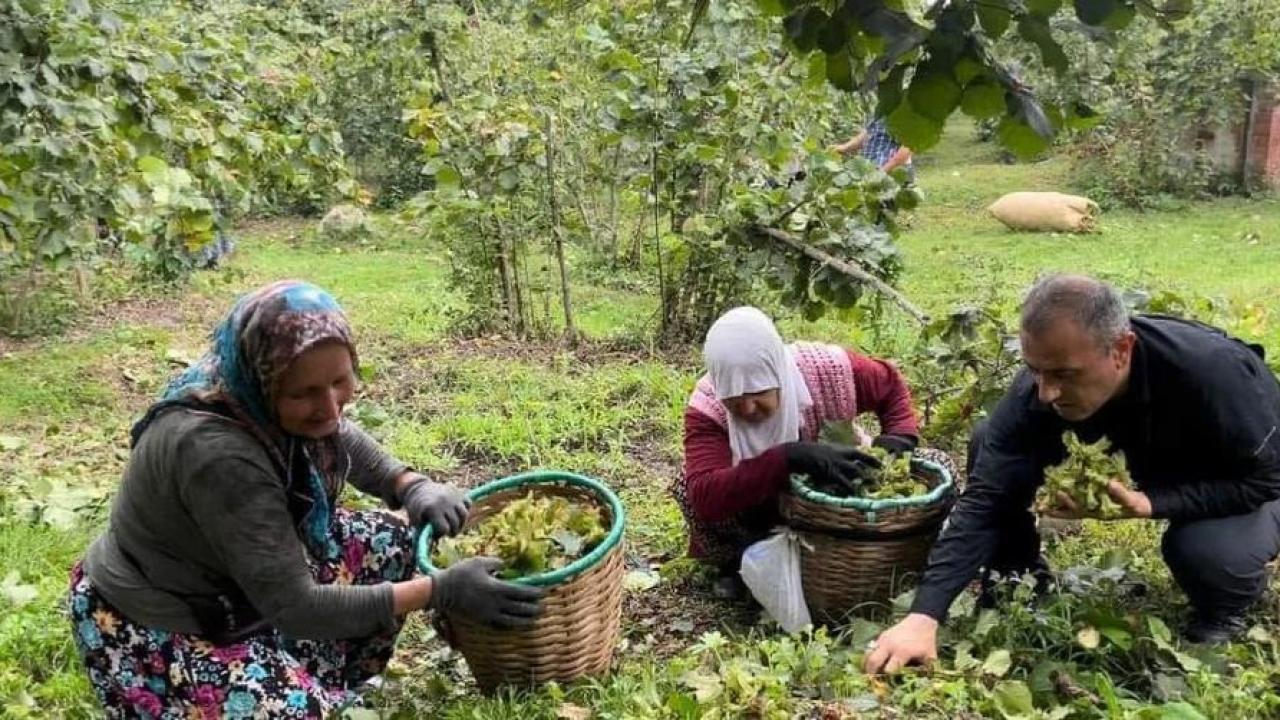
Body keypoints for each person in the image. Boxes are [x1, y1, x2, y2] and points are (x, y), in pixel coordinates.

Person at [68, 280, 543, 718]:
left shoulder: (250, 380)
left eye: (340, 382)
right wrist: (441, 591)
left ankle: (333, 679)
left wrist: (409, 484)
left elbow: (338, 432)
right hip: (167, 615)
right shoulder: (219, 454)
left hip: (242, 576)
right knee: (294, 711)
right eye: (306, 393)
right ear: (265, 383)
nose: (331, 406)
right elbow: (295, 606)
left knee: (396, 539)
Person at [865, 275, 1280, 674]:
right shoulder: (1038, 390)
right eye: (1035, 370)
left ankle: (1224, 613)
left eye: (1064, 374)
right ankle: (1018, 576)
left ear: (1121, 351)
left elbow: (1265, 479)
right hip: (1146, 459)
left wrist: (1153, 504)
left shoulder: (1212, 373)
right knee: (988, 439)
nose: (1046, 392)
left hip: (1237, 475)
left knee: (1208, 552)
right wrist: (924, 616)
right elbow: (985, 499)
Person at [672, 306, 947, 598]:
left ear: (777, 371)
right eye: (735, 400)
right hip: (757, 514)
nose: (748, 409)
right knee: (687, 486)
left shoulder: (822, 370)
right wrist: (787, 458)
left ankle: (890, 558)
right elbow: (705, 496)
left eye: (759, 393)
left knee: (937, 462)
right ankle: (744, 563)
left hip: (839, 497)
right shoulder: (708, 408)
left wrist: (898, 437)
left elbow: (890, 385)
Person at [831, 116, 915, 184]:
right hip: (873, 171)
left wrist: (881, 173)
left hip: (893, 174)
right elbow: (863, 137)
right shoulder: (880, 113)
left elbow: (906, 150)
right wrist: (843, 147)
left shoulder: (907, 116)